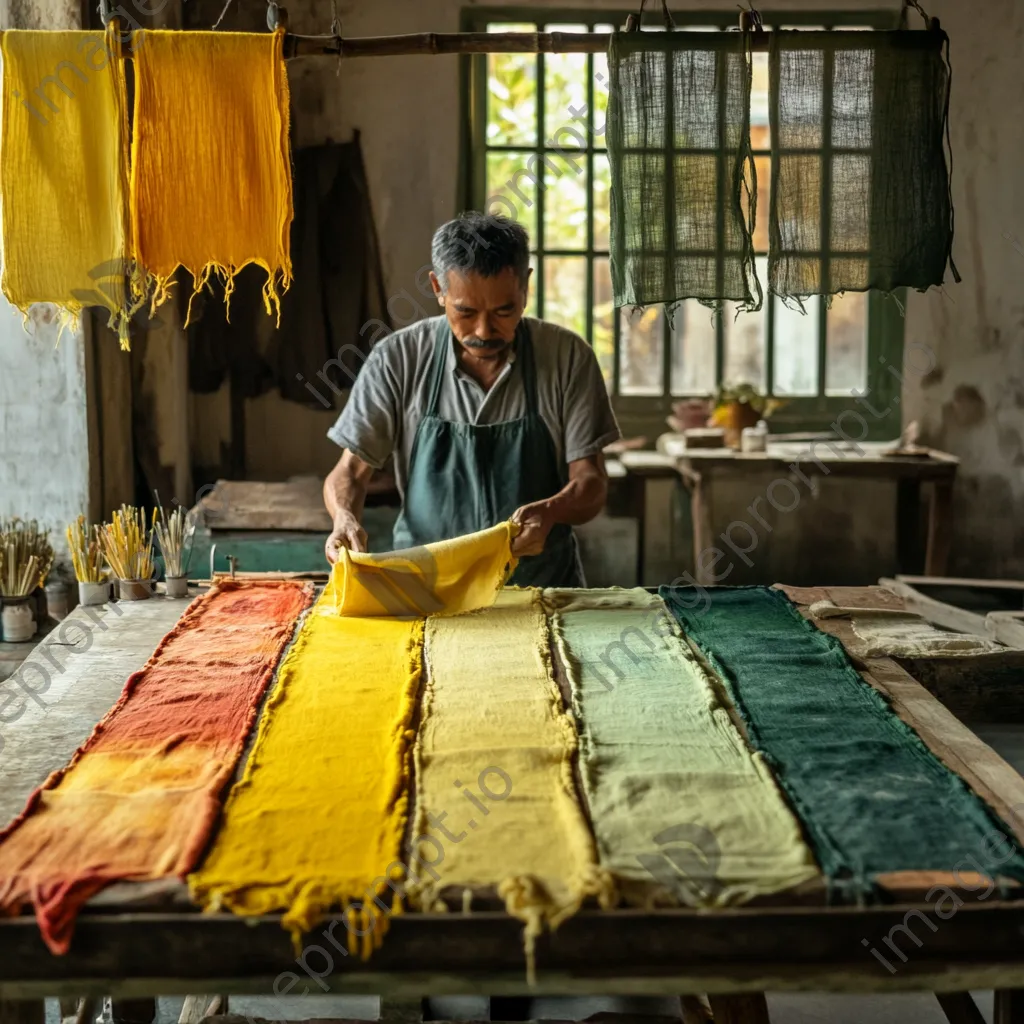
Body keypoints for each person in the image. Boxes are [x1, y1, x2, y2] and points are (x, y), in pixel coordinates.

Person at [323, 211, 621, 586]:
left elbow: (591, 482)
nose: (483, 330)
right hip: (427, 585)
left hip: (541, 587)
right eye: (465, 312)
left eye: (504, 311)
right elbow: (349, 471)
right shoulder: (397, 359)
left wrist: (552, 510)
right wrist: (345, 518)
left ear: (526, 286)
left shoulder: (567, 357)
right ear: (437, 288)